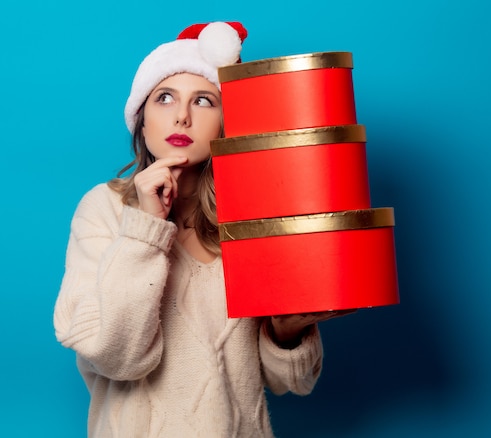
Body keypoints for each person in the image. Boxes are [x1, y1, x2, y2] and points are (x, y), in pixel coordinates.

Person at [53, 21, 353, 437]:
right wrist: (145, 228)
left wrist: (287, 334)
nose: (182, 116)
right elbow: (118, 358)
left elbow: (291, 382)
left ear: (227, 124)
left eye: (205, 101)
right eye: (164, 98)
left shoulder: (255, 217)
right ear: (141, 120)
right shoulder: (103, 210)